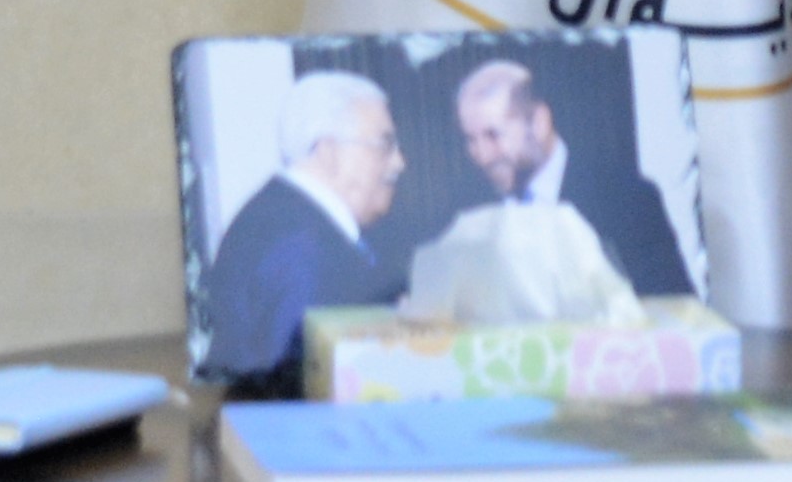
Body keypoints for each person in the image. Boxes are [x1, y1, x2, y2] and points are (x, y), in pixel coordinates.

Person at [200, 71, 405, 380]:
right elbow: (299, 383)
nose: (399, 162)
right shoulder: (300, 246)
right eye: (384, 144)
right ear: (329, 151)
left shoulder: (278, 217)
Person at [450, 56, 697, 298]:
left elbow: (674, 308)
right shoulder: (466, 210)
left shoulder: (628, 200)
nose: (482, 155)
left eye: (493, 135)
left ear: (539, 122)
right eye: (471, 140)